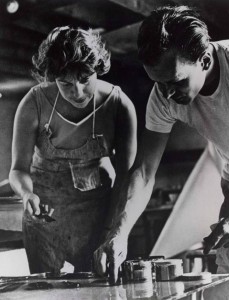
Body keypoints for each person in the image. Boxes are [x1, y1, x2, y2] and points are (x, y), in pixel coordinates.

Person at [94, 5, 229, 299]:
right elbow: (145, 172)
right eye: (159, 83)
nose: (168, 94)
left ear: (205, 59)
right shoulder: (163, 94)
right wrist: (118, 234)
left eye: (176, 82)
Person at [9, 26, 137, 274]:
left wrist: (115, 231)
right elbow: (18, 169)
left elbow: (127, 178)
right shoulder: (33, 103)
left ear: (97, 68)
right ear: (52, 78)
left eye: (85, 79)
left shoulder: (119, 105)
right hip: (44, 219)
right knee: (46, 292)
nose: (76, 92)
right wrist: (27, 195)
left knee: (98, 290)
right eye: (64, 83)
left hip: (97, 218)